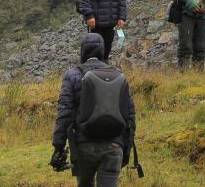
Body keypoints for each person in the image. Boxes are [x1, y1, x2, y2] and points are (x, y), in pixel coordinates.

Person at [51, 33, 139, 187]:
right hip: (114, 145)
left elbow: (65, 113)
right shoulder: (118, 75)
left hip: (84, 147)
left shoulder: (72, 75)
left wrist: (58, 147)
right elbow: (130, 115)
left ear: (82, 51)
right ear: (103, 51)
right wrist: (126, 148)